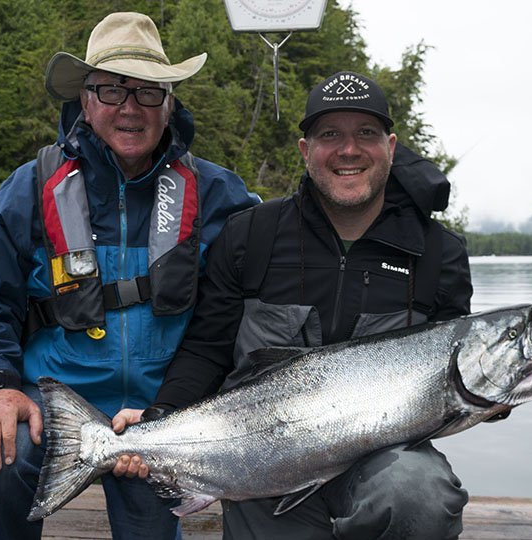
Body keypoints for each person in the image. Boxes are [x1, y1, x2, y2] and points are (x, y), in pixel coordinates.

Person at [114, 71, 474, 539]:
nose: (349, 150)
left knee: (420, 492)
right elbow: (208, 348)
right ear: (306, 151)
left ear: (390, 145)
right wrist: (162, 416)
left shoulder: (439, 254)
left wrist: (492, 390)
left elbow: (458, 367)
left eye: (365, 133)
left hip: (384, 458)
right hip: (262, 457)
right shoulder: (250, 235)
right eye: (330, 135)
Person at [0, 12, 258, 540]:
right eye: (112, 91)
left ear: (170, 103)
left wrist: (180, 411)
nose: (130, 109)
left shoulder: (221, 194)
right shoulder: (29, 188)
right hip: (52, 402)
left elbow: (263, 296)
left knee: (148, 521)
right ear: (86, 101)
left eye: (147, 93)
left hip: (165, 411)